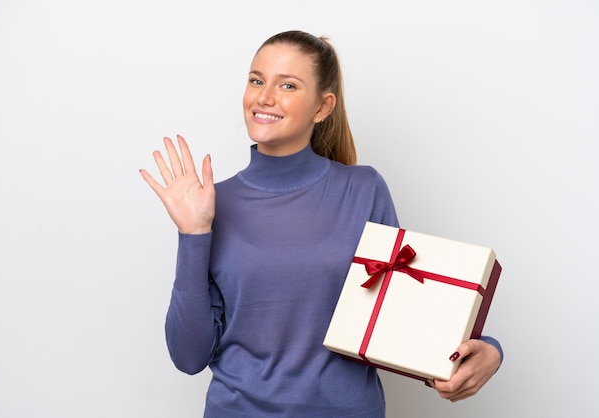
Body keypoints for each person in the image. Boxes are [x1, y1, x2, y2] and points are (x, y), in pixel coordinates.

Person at [140, 30, 503, 417]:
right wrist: (193, 234)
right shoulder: (211, 204)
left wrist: (490, 350)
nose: (264, 97)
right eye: (256, 80)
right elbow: (189, 356)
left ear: (322, 107)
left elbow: (403, 318)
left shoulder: (363, 190)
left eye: (288, 85)